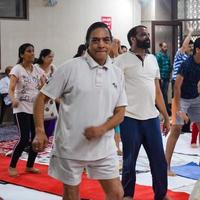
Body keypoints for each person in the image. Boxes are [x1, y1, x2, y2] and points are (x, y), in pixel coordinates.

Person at [32, 22, 127, 200]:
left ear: (111, 43)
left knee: (117, 194)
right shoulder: (70, 68)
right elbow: (41, 98)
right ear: (87, 43)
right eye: (95, 40)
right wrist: (39, 130)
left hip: (104, 147)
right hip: (70, 146)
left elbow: (120, 112)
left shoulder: (117, 73)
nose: (101, 45)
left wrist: (102, 129)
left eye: (106, 40)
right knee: (71, 194)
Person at [115, 25, 170, 200]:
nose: (147, 36)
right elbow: (114, 90)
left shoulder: (153, 59)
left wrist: (166, 117)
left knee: (159, 161)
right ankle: (128, 195)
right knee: (130, 161)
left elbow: (158, 91)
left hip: (152, 118)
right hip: (130, 118)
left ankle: (161, 195)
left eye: (147, 34)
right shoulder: (121, 61)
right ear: (133, 38)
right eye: (143, 34)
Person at [8, 43, 45, 177]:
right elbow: (11, 89)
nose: (32, 53)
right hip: (21, 108)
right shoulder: (17, 69)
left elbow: (44, 85)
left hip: (35, 109)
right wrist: (13, 99)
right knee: (24, 138)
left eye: (33, 51)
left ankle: (29, 166)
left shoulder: (37, 69)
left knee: (37, 138)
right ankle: (12, 166)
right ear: (22, 54)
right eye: (29, 51)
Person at [165, 37, 200, 176]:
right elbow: (177, 87)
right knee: (176, 130)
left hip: (196, 98)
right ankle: (166, 166)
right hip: (182, 99)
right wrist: (179, 110)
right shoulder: (186, 64)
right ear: (197, 50)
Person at [34, 49, 58, 138]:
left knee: (50, 130)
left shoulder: (53, 68)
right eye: (49, 57)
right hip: (38, 99)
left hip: (51, 101)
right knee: (38, 130)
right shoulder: (36, 68)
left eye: (52, 57)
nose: (52, 59)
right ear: (43, 57)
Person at [156, 42, 172, 115]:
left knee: (165, 93)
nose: (166, 48)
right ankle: (164, 109)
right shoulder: (158, 56)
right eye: (164, 47)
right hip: (161, 78)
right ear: (161, 47)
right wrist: (160, 78)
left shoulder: (167, 56)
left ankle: (165, 109)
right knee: (163, 94)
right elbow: (157, 67)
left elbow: (169, 65)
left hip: (167, 77)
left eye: (166, 46)